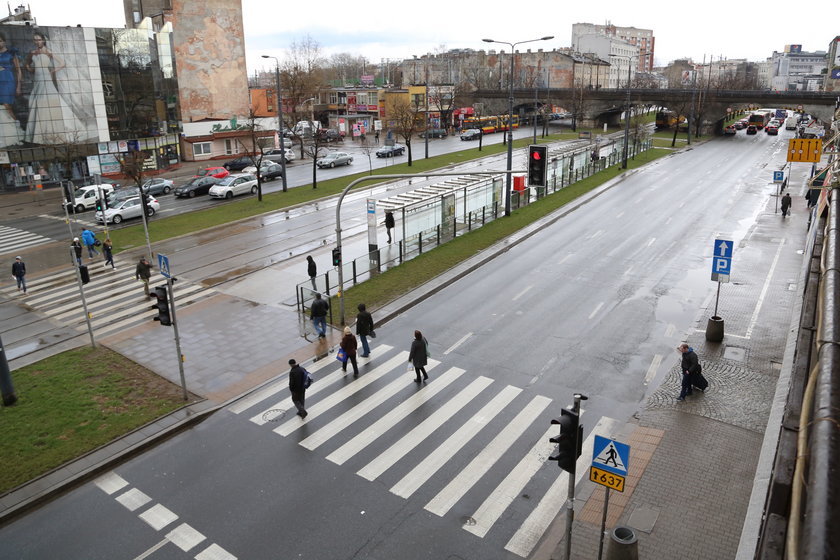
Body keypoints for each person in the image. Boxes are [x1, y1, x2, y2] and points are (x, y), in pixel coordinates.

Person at [0, 33, 23, 146]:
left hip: (8, 80)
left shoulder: (11, 52)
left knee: (7, 106)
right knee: (2, 108)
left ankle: (18, 131)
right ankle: (10, 134)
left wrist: (18, 86)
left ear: (4, 41)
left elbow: (18, 70)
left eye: (0, 41)